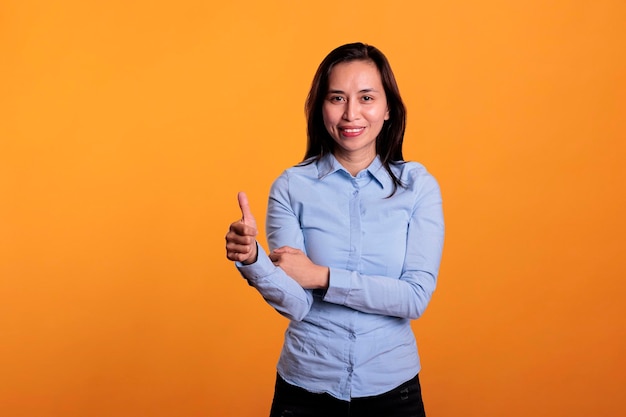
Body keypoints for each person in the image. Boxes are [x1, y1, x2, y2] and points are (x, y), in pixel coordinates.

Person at [225, 42, 444, 417]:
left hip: (393, 392)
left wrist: (322, 276)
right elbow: (297, 303)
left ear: (388, 107)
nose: (351, 113)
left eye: (366, 97)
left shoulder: (417, 187)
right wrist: (254, 260)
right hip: (305, 389)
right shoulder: (292, 186)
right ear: (320, 107)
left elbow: (415, 297)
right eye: (337, 98)